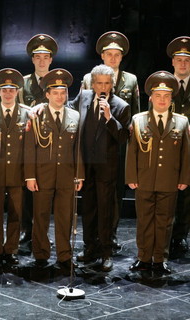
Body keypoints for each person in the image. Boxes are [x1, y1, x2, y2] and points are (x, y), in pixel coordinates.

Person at [126, 71, 190, 274]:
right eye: (158, 96)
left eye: (166, 96)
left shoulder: (182, 122)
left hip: (169, 180)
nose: (162, 100)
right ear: (151, 98)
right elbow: (132, 152)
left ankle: (160, 258)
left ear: (171, 99)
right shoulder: (138, 120)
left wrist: (184, 179)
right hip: (144, 179)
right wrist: (131, 177)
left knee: (165, 221)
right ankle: (143, 257)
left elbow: (186, 154)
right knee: (144, 220)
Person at [82, 31, 140, 251]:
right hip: (92, 148)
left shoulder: (130, 80)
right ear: (102, 56)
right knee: (91, 199)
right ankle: (93, 240)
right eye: (109, 54)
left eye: (117, 54)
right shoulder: (89, 79)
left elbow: (134, 113)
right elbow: (79, 109)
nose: (113, 58)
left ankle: (110, 235)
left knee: (113, 195)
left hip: (116, 143)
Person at [71, 64, 130, 271]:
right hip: (86, 165)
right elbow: (67, 108)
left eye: (107, 83)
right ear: (92, 83)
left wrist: (109, 118)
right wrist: (41, 107)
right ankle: (89, 248)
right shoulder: (84, 97)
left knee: (105, 210)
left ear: (112, 84)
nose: (102, 87)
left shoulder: (121, 106)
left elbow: (123, 137)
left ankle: (106, 252)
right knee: (88, 208)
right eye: (99, 83)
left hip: (107, 167)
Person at [24, 69, 84, 271]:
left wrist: (79, 175)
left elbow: (78, 149)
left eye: (63, 92)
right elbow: (30, 148)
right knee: (40, 215)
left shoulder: (75, 115)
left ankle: (64, 255)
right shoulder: (37, 116)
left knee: (64, 216)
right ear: (47, 95)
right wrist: (30, 176)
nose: (60, 96)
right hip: (42, 175)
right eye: (55, 92)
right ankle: (40, 253)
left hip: (67, 176)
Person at [0, 68, 30, 265]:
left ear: (17, 91)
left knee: (16, 212)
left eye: (12, 90)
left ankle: (11, 249)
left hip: (18, 172)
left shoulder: (27, 113)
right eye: (4, 90)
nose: (8, 93)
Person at [18, 33, 58, 246]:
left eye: (45, 57)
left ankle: (42, 231)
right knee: (27, 188)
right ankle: (26, 229)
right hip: (28, 141)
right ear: (32, 59)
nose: (42, 61)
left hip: (51, 144)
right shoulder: (22, 83)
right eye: (38, 57)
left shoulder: (58, 81)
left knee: (46, 192)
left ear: (51, 60)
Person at [166, 36, 190, 256]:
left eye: (187, 60)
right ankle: (165, 234)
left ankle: (181, 235)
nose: (183, 64)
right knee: (166, 190)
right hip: (168, 146)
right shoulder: (162, 84)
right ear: (172, 62)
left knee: (186, 193)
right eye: (179, 59)